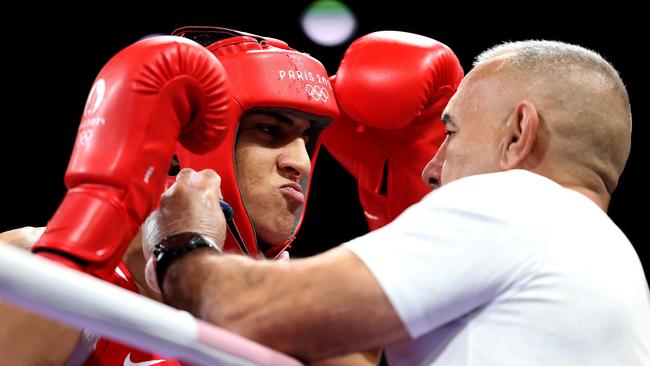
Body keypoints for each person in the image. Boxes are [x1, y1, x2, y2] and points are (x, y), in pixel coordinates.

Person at [142, 40, 650, 365]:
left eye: (450, 132)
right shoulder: (609, 258)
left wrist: (182, 242)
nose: (431, 167)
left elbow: (257, 312)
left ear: (519, 133)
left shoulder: (515, 202)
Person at [0, 28, 463, 365]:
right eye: (269, 131)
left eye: (308, 141)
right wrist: (102, 207)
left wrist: (409, 197)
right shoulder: (23, 260)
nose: (299, 163)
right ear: (181, 149)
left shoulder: (311, 314)